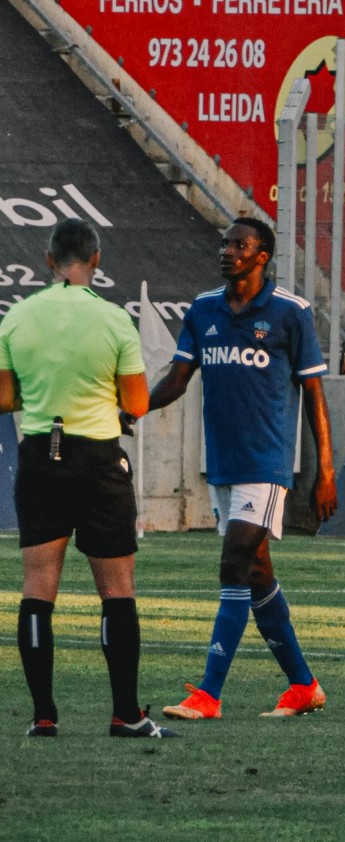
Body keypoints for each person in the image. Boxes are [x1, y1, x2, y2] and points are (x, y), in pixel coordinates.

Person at [150, 217, 339, 719]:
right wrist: (133, 407)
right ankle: (303, 685)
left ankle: (208, 694)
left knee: (234, 563)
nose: (227, 251)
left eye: (240, 245)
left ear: (262, 257)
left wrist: (326, 470)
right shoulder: (204, 309)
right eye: (225, 243)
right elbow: (178, 378)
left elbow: (314, 394)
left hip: (266, 462)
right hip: (222, 464)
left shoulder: (290, 313)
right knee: (255, 573)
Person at [0, 218, 177, 738]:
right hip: (99, 461)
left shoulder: (16, 317)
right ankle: (126, 713)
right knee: (116, 591)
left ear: (48, 260)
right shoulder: (113, 320)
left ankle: (43, 715)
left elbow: (4, 398)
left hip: (39, 459)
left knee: (37, 588)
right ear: (96, 260)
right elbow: (139, 403)